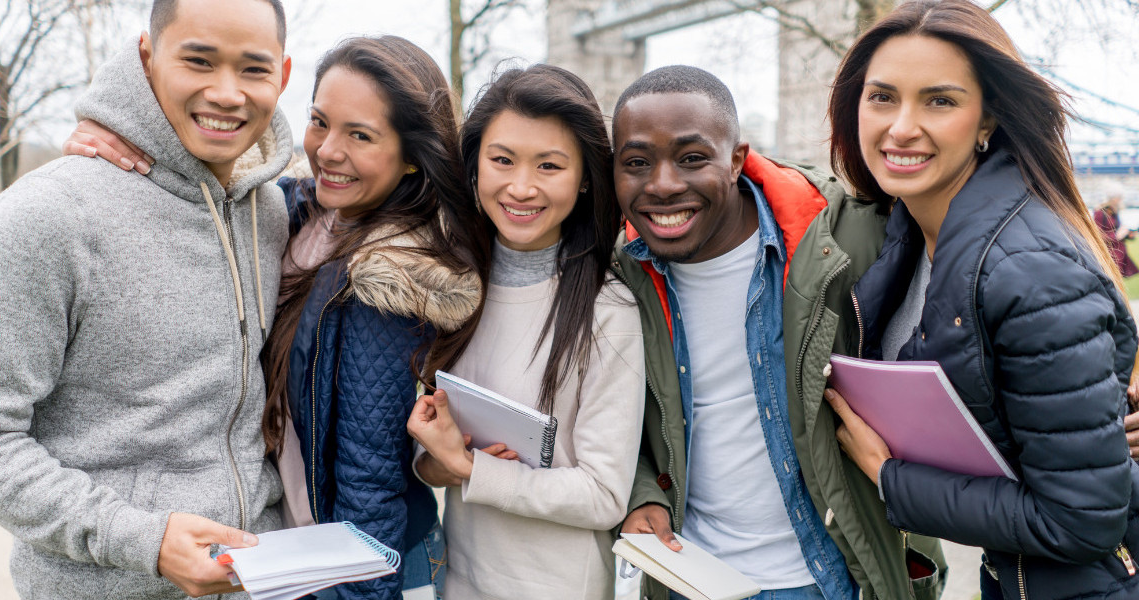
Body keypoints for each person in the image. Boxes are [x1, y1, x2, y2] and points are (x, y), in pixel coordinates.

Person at [67, 36, 485, 599]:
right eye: (319, 122)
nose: (328, 150)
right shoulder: (297, 215)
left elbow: (370, 480)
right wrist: (121, 136)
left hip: (360, 568)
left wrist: (355, 592)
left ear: (412, 154)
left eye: (360, 135)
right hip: (297, 554)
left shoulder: (387, 279)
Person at [0, 0, 294, 597]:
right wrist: (141, 540)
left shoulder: (271, 211)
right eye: (199, 60)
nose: (227, 92)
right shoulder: (53, 214)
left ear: (282, 76)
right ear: (147, 57)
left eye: (253, 69)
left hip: (261, 581)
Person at [821, 1, 1139, 599]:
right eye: (882, 97)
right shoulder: (909, 235)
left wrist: (890, 478)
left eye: (939, 100)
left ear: (986, 119)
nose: (901, 127)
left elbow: (1081, 521)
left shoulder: (1031, 270)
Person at [612, 65, 946, 600]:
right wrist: (640, 491)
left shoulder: (848, 237)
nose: (664, 184)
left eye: (693, 158)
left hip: (832, 579)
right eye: (636, 163)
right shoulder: (617, 274)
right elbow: (607, 420)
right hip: (690, 576)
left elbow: (972, 336)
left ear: (738, 159)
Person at [404, 64, 644, 599]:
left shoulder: (609, 309)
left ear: (585, 179)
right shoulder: (451, 290)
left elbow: (604, 494)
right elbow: (434, 464)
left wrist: (470, 467)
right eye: (502, 160)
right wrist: (440, 462)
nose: (521, 187)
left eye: (549, 165)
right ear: (474, 168)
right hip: (461, 578)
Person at [1094, 185, 1138, 278]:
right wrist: (1116, 236)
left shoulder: (1114, 212)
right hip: (1108, 255)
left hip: (1118, 254)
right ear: (1114, 199)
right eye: (1120, 198)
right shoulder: (1100, 212)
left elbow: (1116, 230)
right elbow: (1097, 235)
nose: (1121, 200)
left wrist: (1128, 234)